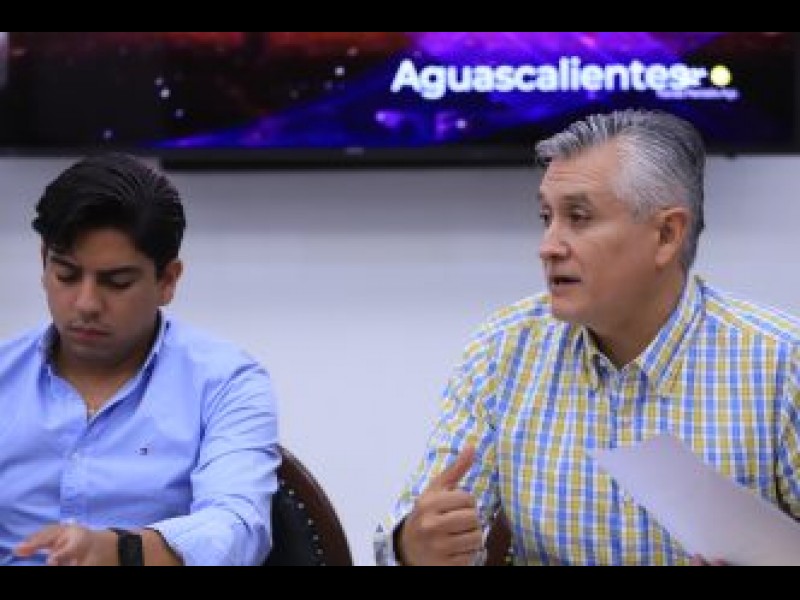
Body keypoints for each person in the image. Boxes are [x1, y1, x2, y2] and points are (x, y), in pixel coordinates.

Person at [374, 108, 800, 566]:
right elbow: (421, 529)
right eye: (546, 217)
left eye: (578, 217)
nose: (548, 247)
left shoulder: (781, 362)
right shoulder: (503, 351)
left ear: (666, 234)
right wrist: (413, 547)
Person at [0, 153, 280, 566]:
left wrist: (119, 551)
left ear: (167, 280)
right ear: (44, 263)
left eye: (117, 282)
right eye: (67, 275)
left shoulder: (226, 382)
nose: (86, 303)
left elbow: (237, 529)